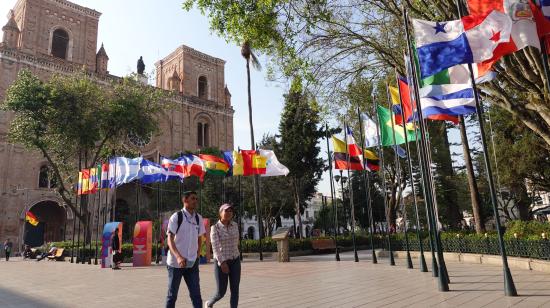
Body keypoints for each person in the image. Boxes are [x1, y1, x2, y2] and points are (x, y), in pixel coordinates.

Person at [165, 191, 206, 308]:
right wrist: (178, 256)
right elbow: (170, 239)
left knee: (196, 295)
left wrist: (197, 255)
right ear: (185, 200)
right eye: (193, 198)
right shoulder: (177, 217)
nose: (195, 201)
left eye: (196, 199)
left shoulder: (198, 218)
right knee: (172, 295)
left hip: (192, 263)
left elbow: (200, 238)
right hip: (175, 264)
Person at [205, 204, 241, 308]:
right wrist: (223, 263)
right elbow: (215, 247)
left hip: (235, 260)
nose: (229, 213)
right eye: (226, 211)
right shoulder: (215, 228)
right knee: (221, 291)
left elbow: (236, 242)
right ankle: (209, 303)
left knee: (235, 290)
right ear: (220, 213)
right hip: (221, 262)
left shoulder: (235, 225)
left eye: (230, 211)